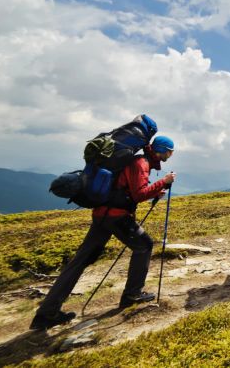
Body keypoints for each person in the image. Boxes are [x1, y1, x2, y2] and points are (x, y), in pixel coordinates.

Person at [30, 136, 176, 330]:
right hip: (117, 217)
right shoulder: (141, 163)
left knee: (79, 261)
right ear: (162, 150)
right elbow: (139, 194)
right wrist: (163, 182)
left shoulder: (137, 161)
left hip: (102, 215)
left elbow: (130, 189)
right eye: (170, 151)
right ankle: (132, 294)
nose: (170, 155)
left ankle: (46, 313)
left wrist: (155, 191)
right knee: (144, 246)